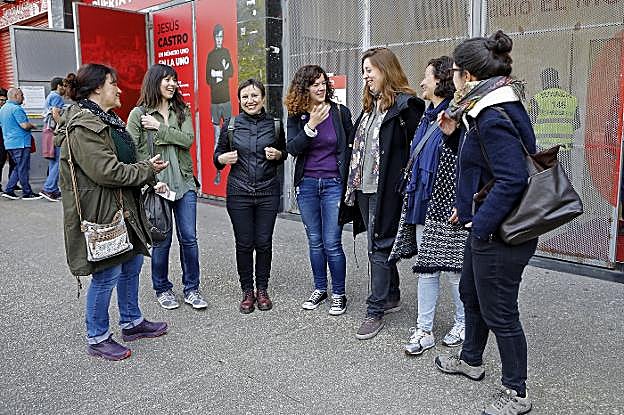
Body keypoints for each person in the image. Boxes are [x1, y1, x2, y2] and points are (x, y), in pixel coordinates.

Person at [434, 31, 538, 415]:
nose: (452, 81)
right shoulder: (485, 109)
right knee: (472, 295)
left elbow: (513, 178)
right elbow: (483, 165)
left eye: (455, 73)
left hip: (500, 232)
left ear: (470, 77)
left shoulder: (491, 114)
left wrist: (481, 226)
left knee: (501, 313)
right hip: (488, 224)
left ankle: (516, 393)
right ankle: (471, 360)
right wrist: (451, 138)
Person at [57, 63, 169, 361]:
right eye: (113, 84)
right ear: (96, 88)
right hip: (102, 211)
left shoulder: (106, 119)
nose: (119, 89)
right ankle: (97, 337)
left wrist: (145, 170)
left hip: (122, 207)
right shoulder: (83, 125)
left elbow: (122, 161)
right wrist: (146, 170)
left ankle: (131, 323)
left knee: (131, 265)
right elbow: (106, 172)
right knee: (107, 274)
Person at [342, 47, 424, 339]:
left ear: (385, 70)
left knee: (378, 246)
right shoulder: (369, 107)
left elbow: (419, 151)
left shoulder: (406, 107)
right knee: (378, 244)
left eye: (369, 70)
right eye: (363, 71)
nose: (365, 76)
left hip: (386, 190)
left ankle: (374, 310)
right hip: (362, 188)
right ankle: (391, 295)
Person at [399, 56, 468, 356]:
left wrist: (461, 203)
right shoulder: (427, 117)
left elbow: (465, 164)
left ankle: (463, 323)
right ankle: (424, 330)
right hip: (421, 202)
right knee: (427, 270)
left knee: (454, 270)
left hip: (447, 205)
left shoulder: (457, 117)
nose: (422, 82)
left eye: (426, 77)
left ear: (440, 81)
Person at [127, 64, 207, 310]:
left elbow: (188, 140)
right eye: (167, 80)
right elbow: (132, 151)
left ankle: (192, 288)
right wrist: (152, 181)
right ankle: (162, 288)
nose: (172, 84)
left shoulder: (180, 110)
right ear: (154, 82)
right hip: (157, 186)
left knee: (189, 238)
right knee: (161, 240)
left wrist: (159, 127)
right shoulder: (138, 114)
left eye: (174, 80)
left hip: (184, 184)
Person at [285, 65, 354, 315]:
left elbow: (351, 146)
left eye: (323, 82)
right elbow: (292, 147)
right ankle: (319, 288)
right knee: (315, 242)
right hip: (308, 185)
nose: (321, 87)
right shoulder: (297, 115)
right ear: (304, 88)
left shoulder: (340, 112)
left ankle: (339, 293)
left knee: (332, 242)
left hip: (334, 184)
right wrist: (311, 124)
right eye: (315, 84)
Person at [214, 78, 285, 313]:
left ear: (263, 98)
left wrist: (278, 154)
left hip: (267, 191)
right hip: (239, 192)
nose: (250, 100)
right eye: (245, 96)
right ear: (239, 100)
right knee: (244, 244)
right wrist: (222, 159)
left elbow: (284, 152)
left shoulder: (275, 124)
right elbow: (218, 155)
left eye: (254, 96)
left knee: (263, 243)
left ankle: (262, 289)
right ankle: (247, 291)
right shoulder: (231, 125)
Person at [0, 88, 42, 200]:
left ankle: (9, 190)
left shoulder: (3, 109)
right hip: (21, 143)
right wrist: (33, 125)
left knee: (18, 167)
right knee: (22, 168)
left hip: (9, 143)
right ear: (16, 95)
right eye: (22, 95)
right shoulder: (16, 109)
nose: (23, 98)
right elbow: (24, 125)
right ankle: (27, 193)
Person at [206, 23, 234, 185]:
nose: (219, 39)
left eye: (221, 36)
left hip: (226, 99)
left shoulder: (225, 52)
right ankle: (218, 172)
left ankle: (233, 173)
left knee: (231, 135)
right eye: (217, 36)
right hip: (215, 101)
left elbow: (230, 72)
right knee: (218, 137)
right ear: (214, 37)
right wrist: (218, 74)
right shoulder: (211, 55)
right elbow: (207, 79)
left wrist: (219, 73)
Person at [39, 77, 67, 202]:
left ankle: (53, 189)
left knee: (53, 160)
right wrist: (63, 126)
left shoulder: (50, 96)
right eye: (64, 86)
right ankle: (49, 189)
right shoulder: (56, 97)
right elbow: (56, 114)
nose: (65, 89)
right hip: (54, 132)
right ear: (59, 86)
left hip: (48, 131)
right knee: (58, 161)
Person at [0, 87, 16, 192]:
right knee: (0, 161)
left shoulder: (7, 109)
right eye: (0, 100)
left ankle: (12, 183)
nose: (2, 102)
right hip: (1, 139)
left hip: (9, 138)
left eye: (4, 100)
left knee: (13, 161)